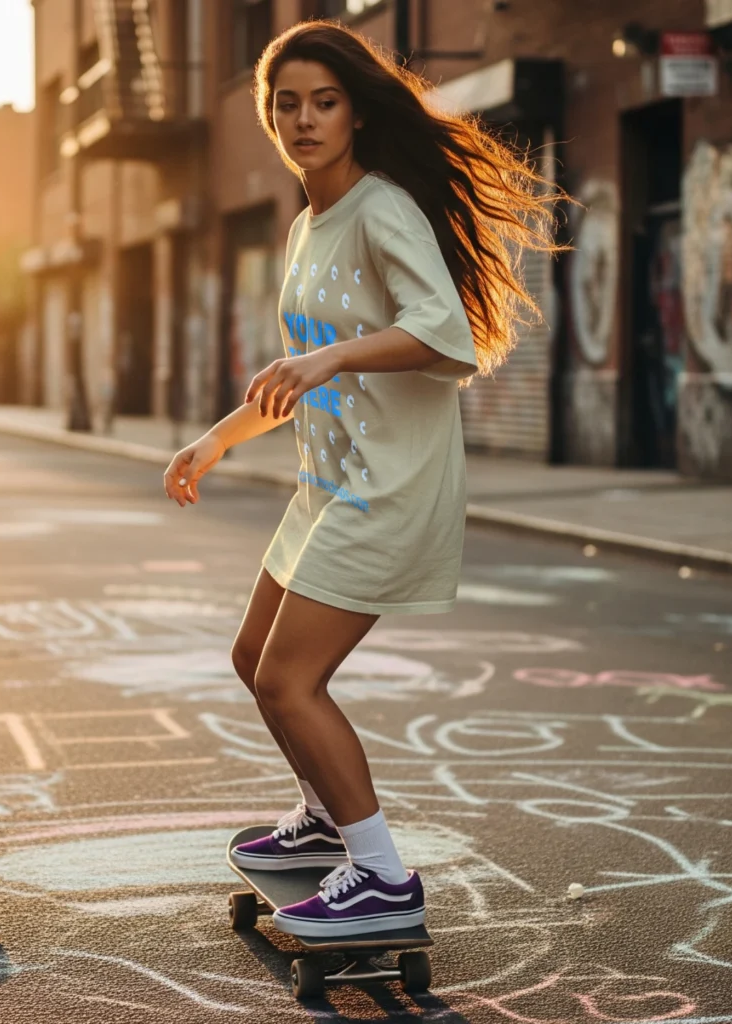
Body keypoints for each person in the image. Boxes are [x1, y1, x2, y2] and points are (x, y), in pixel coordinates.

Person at [163, 19, 561, 939]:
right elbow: (303, 370)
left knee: (292, 681)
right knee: (250, 663)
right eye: (286, 104)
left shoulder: (382, 207)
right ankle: (320, 821)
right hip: (329, 481)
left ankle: (381, 874)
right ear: (270, 119)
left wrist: (333, 358)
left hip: (388, 488)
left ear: (354, 113)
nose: (304, 118)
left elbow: (446, 338)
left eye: (324, 101)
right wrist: (218, 438)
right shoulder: (307, 223)